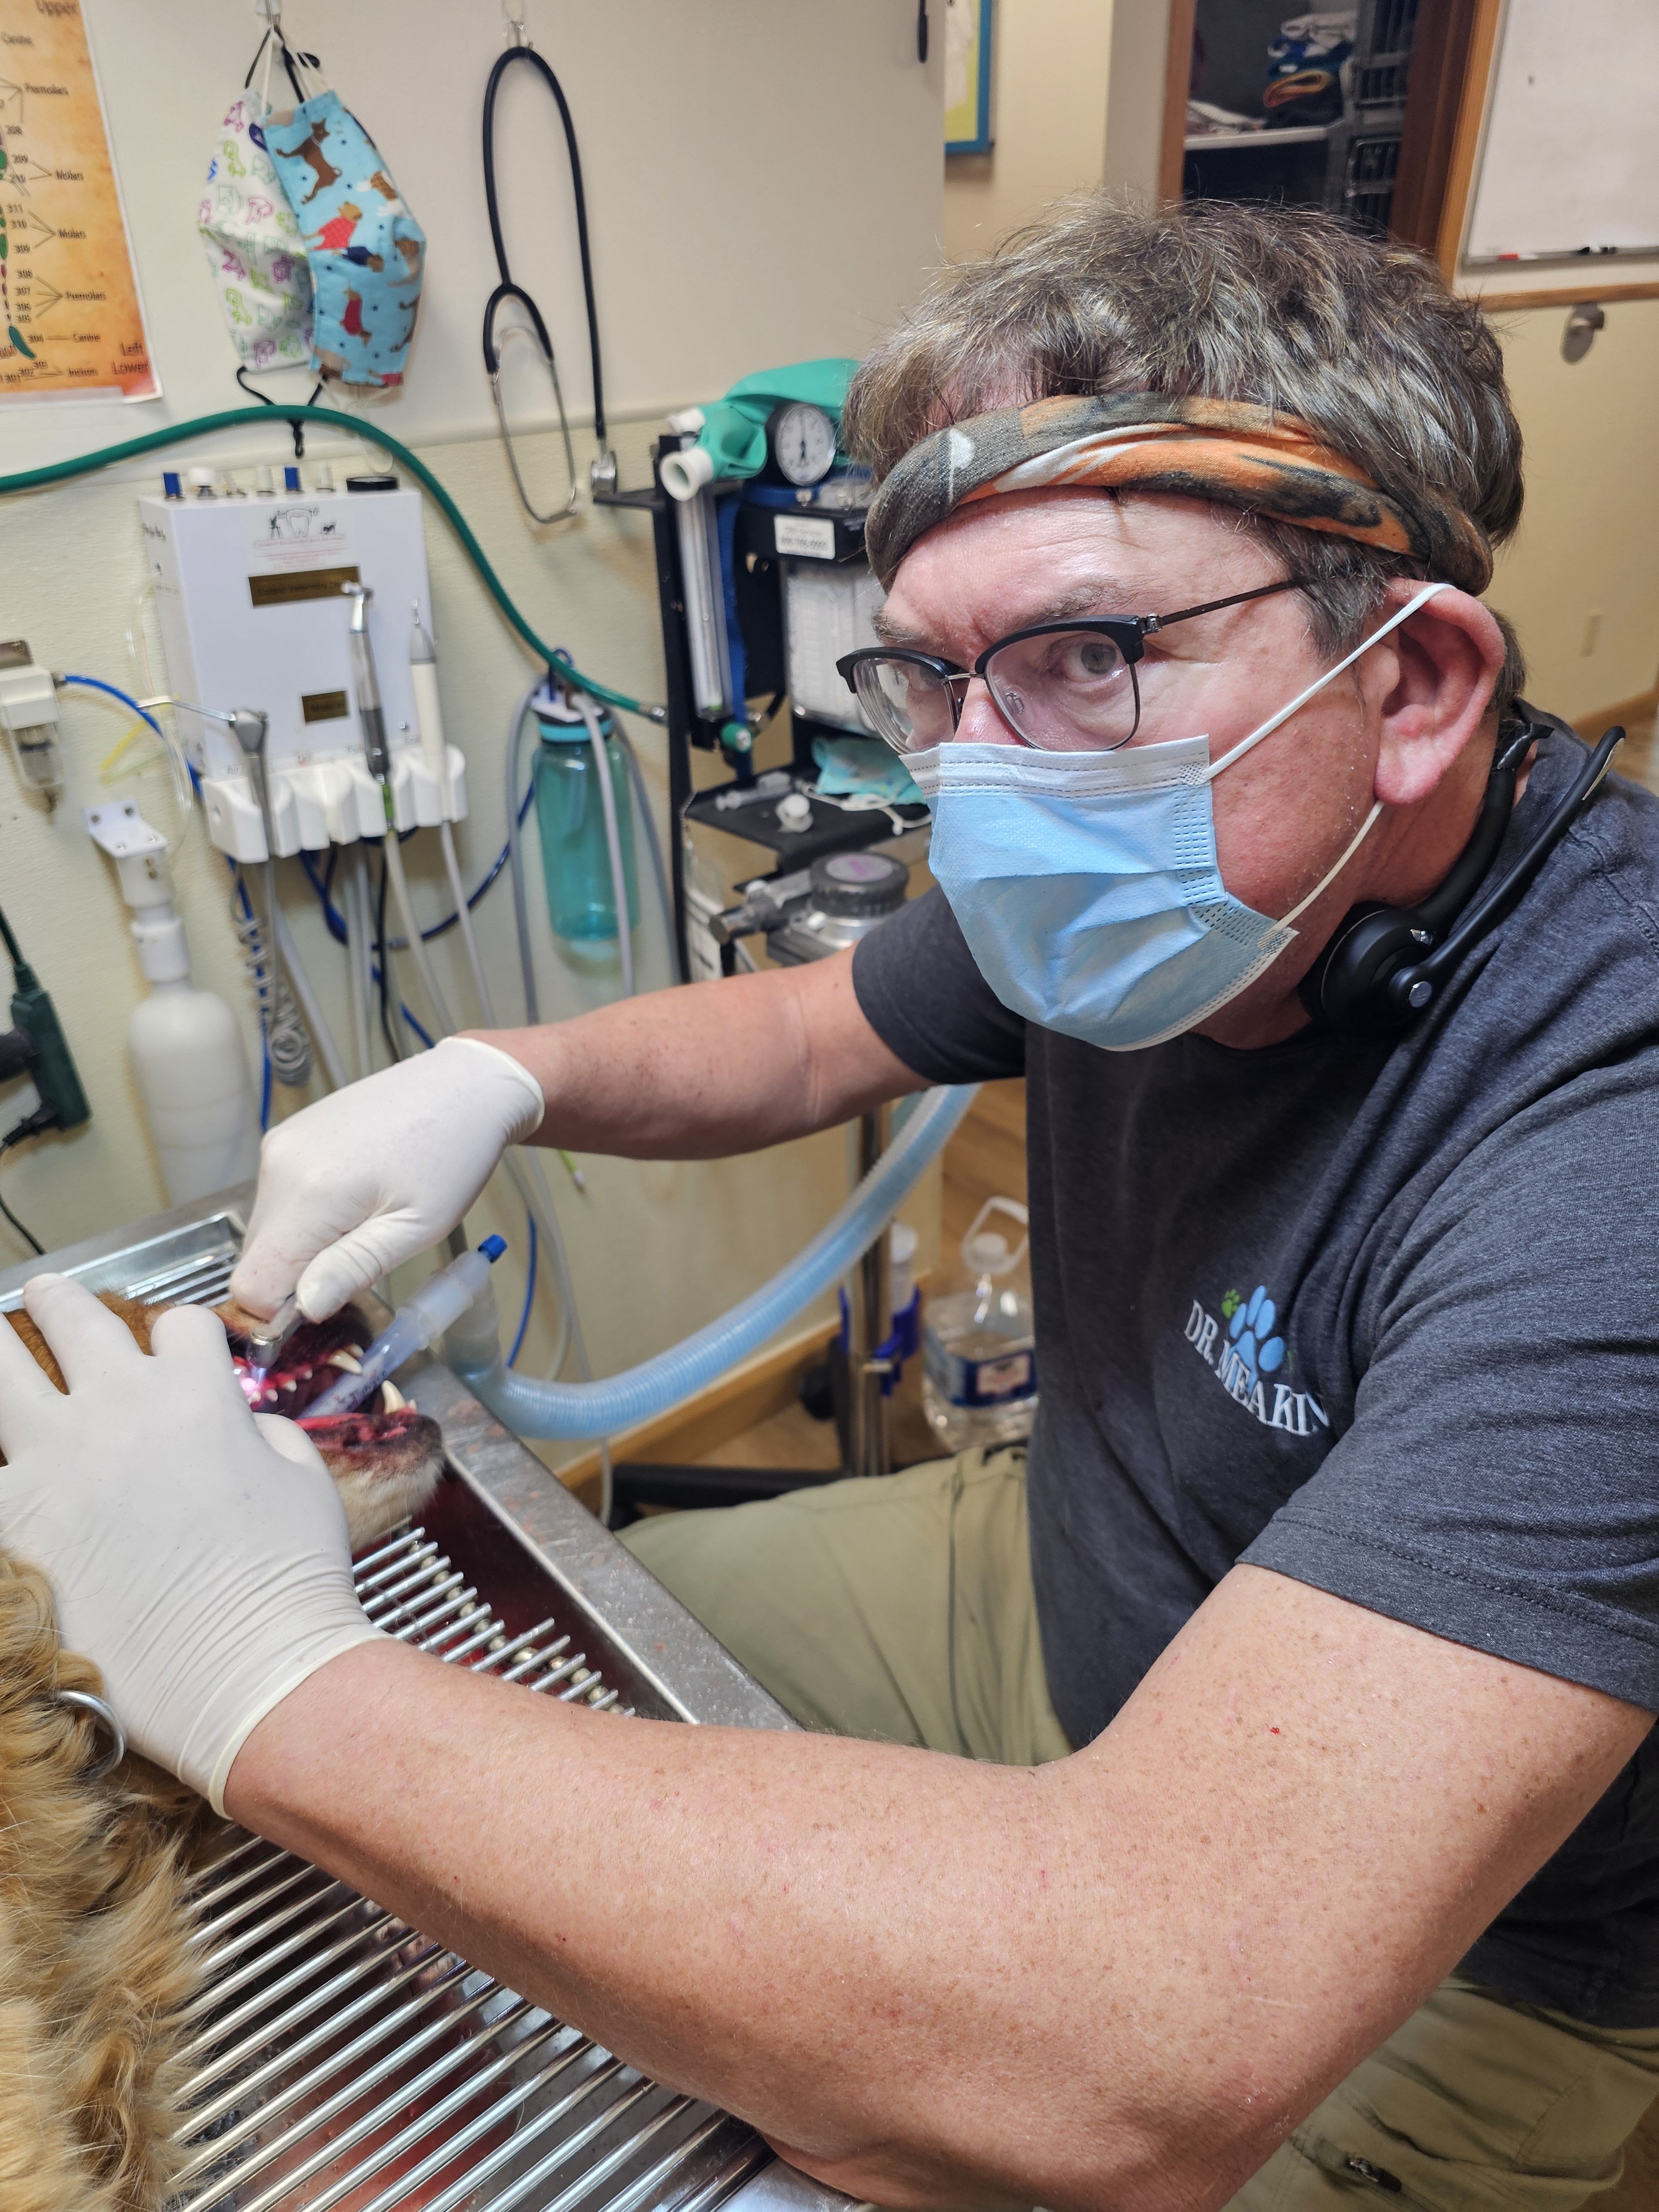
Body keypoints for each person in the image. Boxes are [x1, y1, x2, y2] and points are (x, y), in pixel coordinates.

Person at [5, 197, 1659, 2212]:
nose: (977, 782)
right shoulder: (1149, 875)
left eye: (1083, 654)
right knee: (541, 1683)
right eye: (935, 684)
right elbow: (808, 1037)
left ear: (1414, 692)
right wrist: (496, 1081)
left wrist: (247, 1663)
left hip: (1475, 1971)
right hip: (1057, 1572)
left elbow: (1155, 2039)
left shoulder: (1606, 1138)